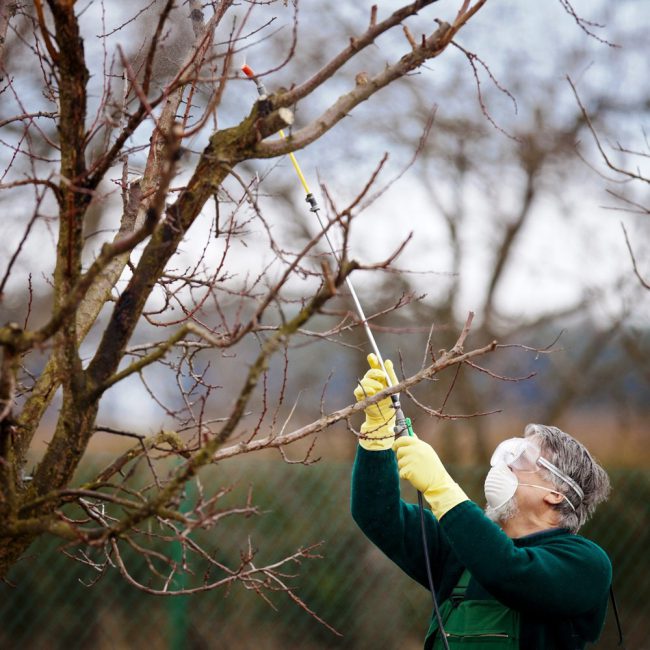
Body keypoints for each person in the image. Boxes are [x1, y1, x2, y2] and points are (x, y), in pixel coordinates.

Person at [351, 354, 612, 650]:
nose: (505, 466)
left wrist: (441, 487)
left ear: (556, 493)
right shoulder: (459, 551)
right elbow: (376, 515)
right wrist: (377, 432)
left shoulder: (585, 563)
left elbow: (508, 572)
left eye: (522, 459)